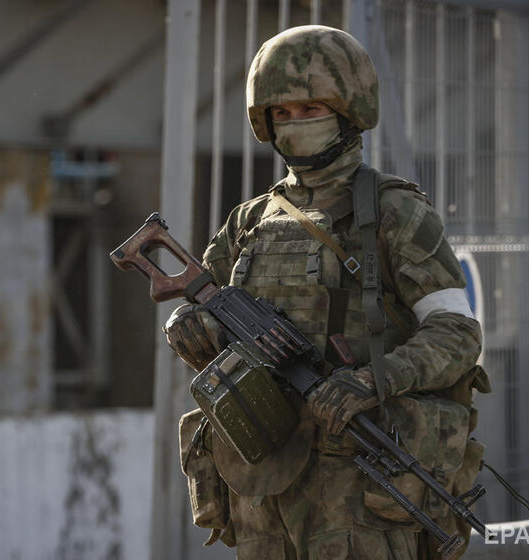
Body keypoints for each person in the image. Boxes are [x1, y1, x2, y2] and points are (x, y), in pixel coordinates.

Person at [165, 25, 488, 560]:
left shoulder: (394, 212)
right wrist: (189, 329)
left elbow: (457, 334)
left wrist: (374, 379)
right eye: (282, 112)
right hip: (261, 478)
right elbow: (207, 311)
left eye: (311, 108)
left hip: (356, 486)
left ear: (348, 111)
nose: (295, 122)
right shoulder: (250, 221)